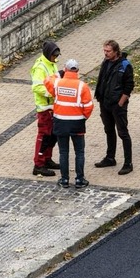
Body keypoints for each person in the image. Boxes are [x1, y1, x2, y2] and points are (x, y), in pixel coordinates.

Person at [46, 59, 95, 188]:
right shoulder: (82, 86)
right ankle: (79, 179)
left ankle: (64, 179)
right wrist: (83, 117)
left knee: (63, 152)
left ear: (65, 69)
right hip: (77, 123)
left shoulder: (57, 83)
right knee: (79, 152)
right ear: (77, 71)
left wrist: (58, 73)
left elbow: (46, 80)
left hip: (60, 122)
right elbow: (89, 106)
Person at [93, 40, 135, 175]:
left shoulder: (125, 65)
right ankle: (110, 157)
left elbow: (129, 87)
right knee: (109, 130)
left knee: (123, 133)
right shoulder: (105, 62)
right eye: (104, 51)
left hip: (117, 105)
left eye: (108, 51)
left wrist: (120, 104)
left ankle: (128, 163)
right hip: (105, 103)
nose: (105, 53)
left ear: (116, 51)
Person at [30, 40, 61, 177]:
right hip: (45, 108)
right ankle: (39, 164)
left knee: (52, 135)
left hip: (52, 107)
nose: (55, 58)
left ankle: (47, 159)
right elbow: (37, 87)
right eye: (54, 56)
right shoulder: (40, 67)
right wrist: (52, 93)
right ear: (49, 54)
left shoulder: (51, 64)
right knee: (44, 136)